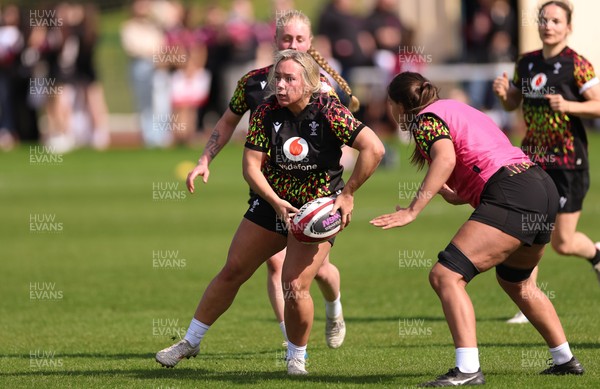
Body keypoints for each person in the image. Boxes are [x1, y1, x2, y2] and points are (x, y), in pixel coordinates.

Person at [156, 49, 384, 375]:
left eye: (289, 78)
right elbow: (250, 166)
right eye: (279, 77)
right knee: (233, 269)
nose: (280, 84)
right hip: (272, 202)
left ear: (308, 84)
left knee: (293, 283)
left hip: (315, 210)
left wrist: (347, 195)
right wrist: (275, 202)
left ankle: (296, 358)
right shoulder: (265, 111)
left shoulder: (329, 110)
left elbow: (374, 148)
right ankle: (191, 341)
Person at [371, 71, 584, 386]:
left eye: (389, 104)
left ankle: (468, 370)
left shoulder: (425, 121)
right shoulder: (456, 108)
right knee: (518, 283)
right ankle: (565, 359)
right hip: (539, 185)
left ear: (398, 105)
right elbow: (483, 165)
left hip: (513, 192)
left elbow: (444, 159)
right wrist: (453, 194)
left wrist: (413, 210)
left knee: (445, 275)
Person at [185, 10, 358, 350]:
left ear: (310, 43)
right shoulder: (253, 83)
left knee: (319, 272)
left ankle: (333, 307)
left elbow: (344, 136)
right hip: (266, 189)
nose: (292, 44)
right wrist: (205, 159)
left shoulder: (323, 89)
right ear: (274, 40)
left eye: (299, 39)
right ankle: (289, 339)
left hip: (315, 194)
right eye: (286, 39)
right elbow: (225, 123)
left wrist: (344, 186)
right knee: (273, 265)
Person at [493, 0, 600, 324]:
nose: (548, 25)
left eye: (555, 20)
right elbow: (515, 103)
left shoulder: (577, 64)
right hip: (533, 158)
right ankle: (528, 298)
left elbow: (597, 106)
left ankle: (596, 253)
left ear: (567, 27)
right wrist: (504, 95)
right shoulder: (526, 63)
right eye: (544, 20)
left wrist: (568, 105)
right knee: (530, 225)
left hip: (568, 159)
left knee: (563, 243)